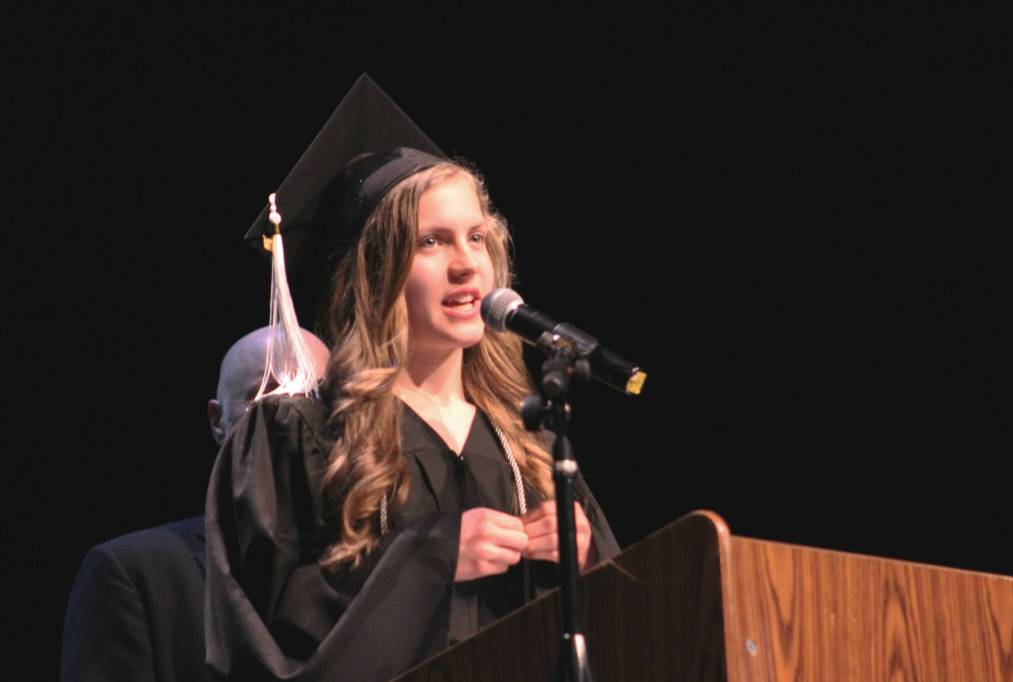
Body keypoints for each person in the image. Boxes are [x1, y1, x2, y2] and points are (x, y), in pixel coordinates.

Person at [205, 74, 620, 682]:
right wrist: (432, 557)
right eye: (431, 241)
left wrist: (587, 563)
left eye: (476, 238)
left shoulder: (526, 446)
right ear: (372, 272)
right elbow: (266, 635)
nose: (466, 264)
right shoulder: (300, 435)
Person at [60, 327, 330, 682]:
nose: (290, 420)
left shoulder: (380, 571)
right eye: (264, 397)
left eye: (312, 397)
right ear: (218, 422)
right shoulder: (136, 575)